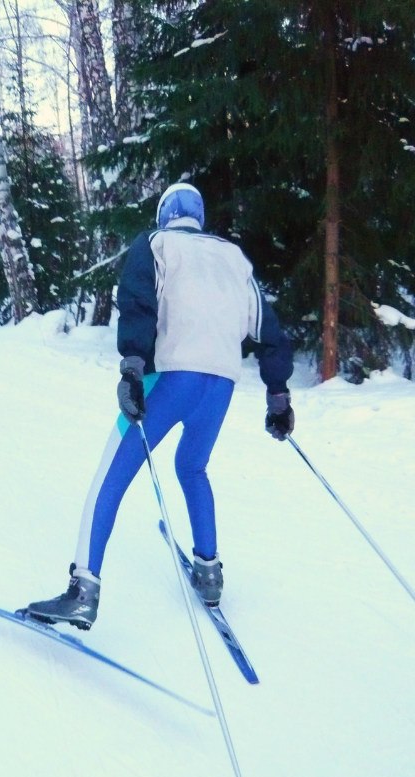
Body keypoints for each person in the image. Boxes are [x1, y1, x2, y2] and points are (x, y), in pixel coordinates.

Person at [25, 181, 294, 630]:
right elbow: (268, 329)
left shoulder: (155, 243)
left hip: (169, 379)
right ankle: (208, 572)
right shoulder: (234, 258)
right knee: (192, 467)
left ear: (164, 213)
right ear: (200, 216)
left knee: (109, 478)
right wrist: (278, 395)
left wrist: (131, 370)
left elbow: (137, 302)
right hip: (221, 385)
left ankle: (82, 590)